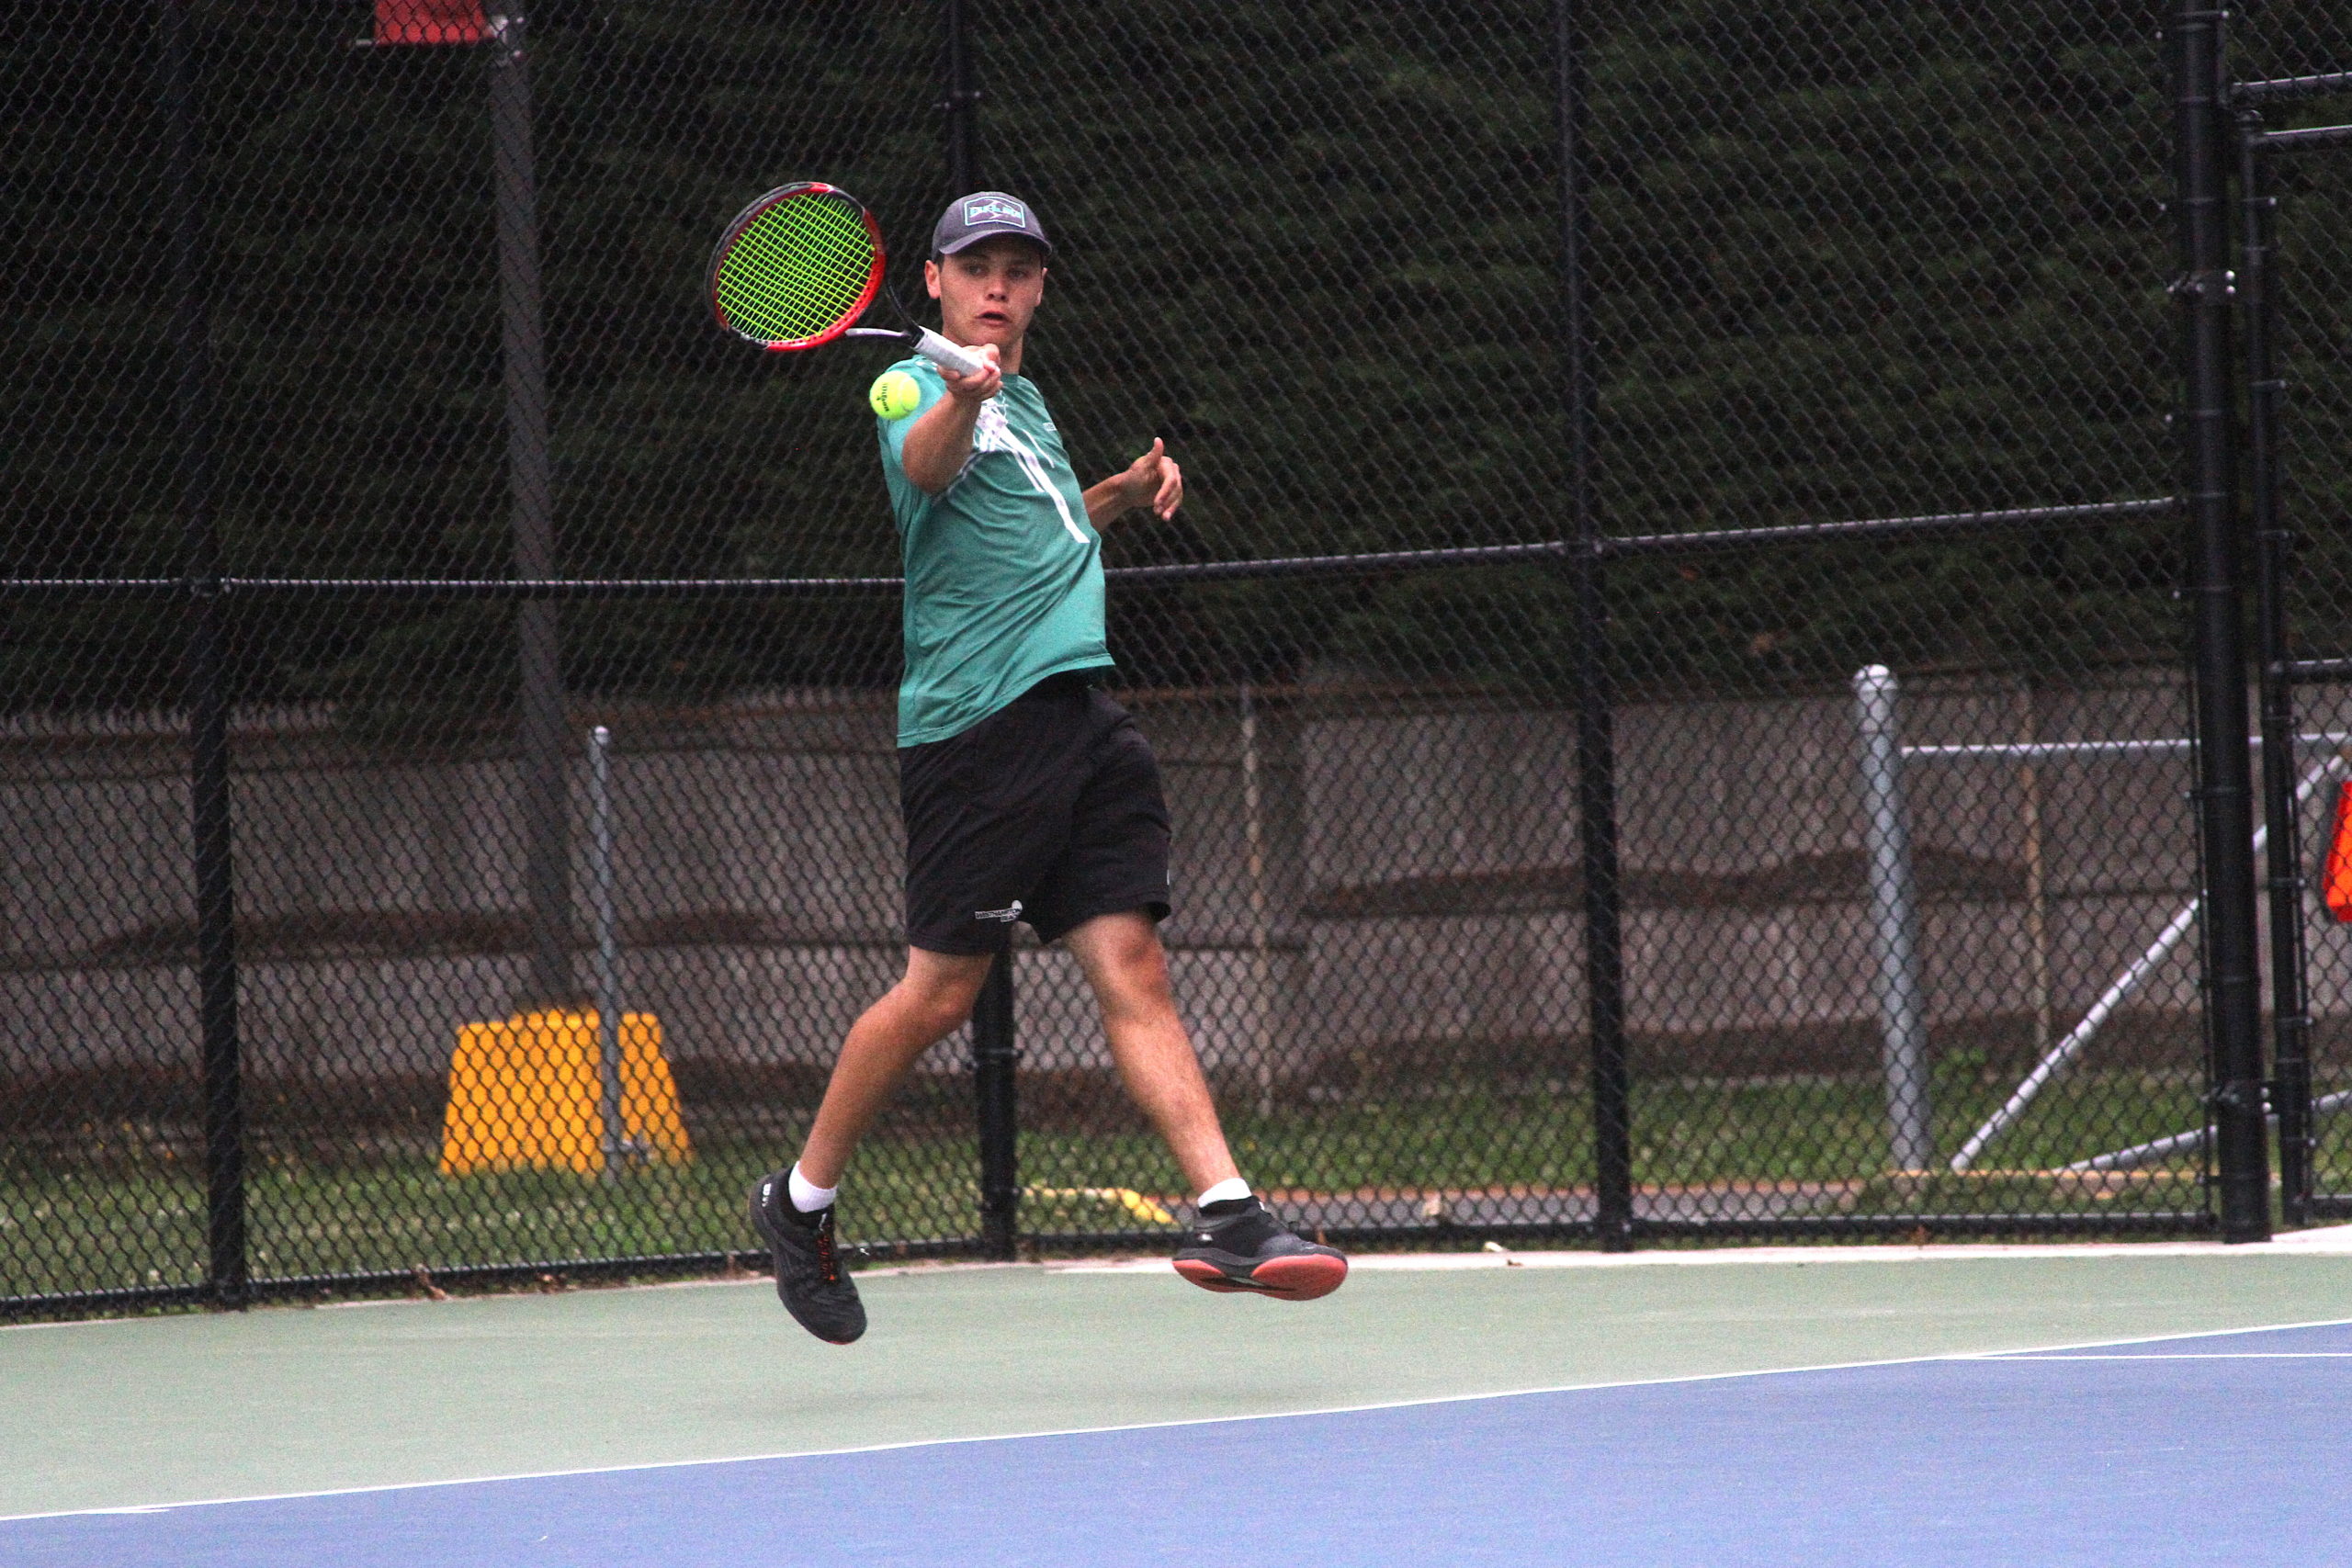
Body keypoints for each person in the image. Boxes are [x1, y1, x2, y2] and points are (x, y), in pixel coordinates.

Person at [749, 191, 1347, 1344]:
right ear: (932, 280)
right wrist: (959, 400)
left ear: (1037, 290)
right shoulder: (912, 385)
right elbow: (927, 475)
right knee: (940, 995)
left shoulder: (1025, 398)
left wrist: (1112, 498)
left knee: (1134, 960)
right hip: (978, 731)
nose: (999, 288)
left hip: (1077, 709)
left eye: (1019, 270)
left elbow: (1035, 529)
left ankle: (1228, 1212)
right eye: (978, 267)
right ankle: (801, 1201)